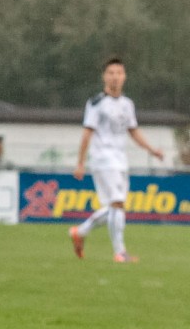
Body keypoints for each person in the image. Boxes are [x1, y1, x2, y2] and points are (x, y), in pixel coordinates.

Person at [69, 58, 165, 262]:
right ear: (104, 76)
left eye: (119, 73)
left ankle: (81, 232)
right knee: (117, 203)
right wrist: (80, 162)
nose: (115, 77)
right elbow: (87, 133)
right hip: (103, 159)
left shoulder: (127, 104)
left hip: (121, 160)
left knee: (116, 207)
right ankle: (120, 253)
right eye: (111, 73)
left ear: (124, 77)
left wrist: (152, 150)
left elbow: (134, 132)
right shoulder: (96, 103)